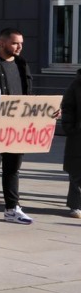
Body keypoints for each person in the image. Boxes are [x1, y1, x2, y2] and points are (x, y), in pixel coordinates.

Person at [0, 28, 41, 225]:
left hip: (17, 126)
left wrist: (45, 113)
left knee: (13, 169)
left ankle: (12, 208)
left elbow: (28, 95)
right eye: (15, 43)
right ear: (2, 43)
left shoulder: (22, 64)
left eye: (21, 43)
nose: (19, 47)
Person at [62, 67, 81, 218]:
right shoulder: (76, 85)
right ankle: (76, 205)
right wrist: (70, 128)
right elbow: (68, 106)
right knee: (77, 171)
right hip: (78, 135)